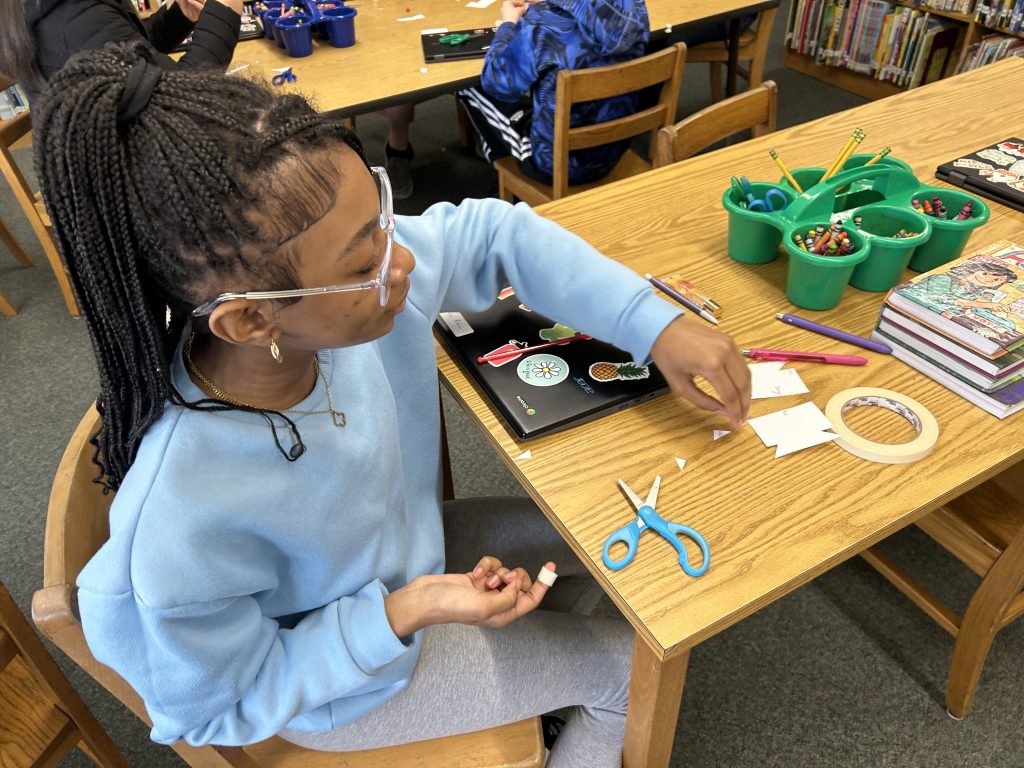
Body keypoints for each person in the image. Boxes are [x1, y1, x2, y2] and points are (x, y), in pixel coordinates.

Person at [34, 41, 750, 765]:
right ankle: (569, 701)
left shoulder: (329, 306)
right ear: (252, 320)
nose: (400, 257)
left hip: (403, 560)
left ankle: (548, 696)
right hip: (349, 686)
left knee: (600, 539)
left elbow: (494, 234)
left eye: (381, 219)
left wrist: (653, 322)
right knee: (630, 673)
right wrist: (403, 613)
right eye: (364, 257)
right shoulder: (181, 511)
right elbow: (221, 706)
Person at [458, 0, 650, 185]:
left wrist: (509, 23)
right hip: (615, 148)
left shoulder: (543, 23)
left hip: (556, 164)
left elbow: (496, 83)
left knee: (470, 87)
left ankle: (505, 188)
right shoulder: (635, 9)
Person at [0, 0, 242, 100]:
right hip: (127, 184)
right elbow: (181, 94)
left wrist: (178, 17)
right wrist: (225, 10)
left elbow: (129, 54)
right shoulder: (73, 16)